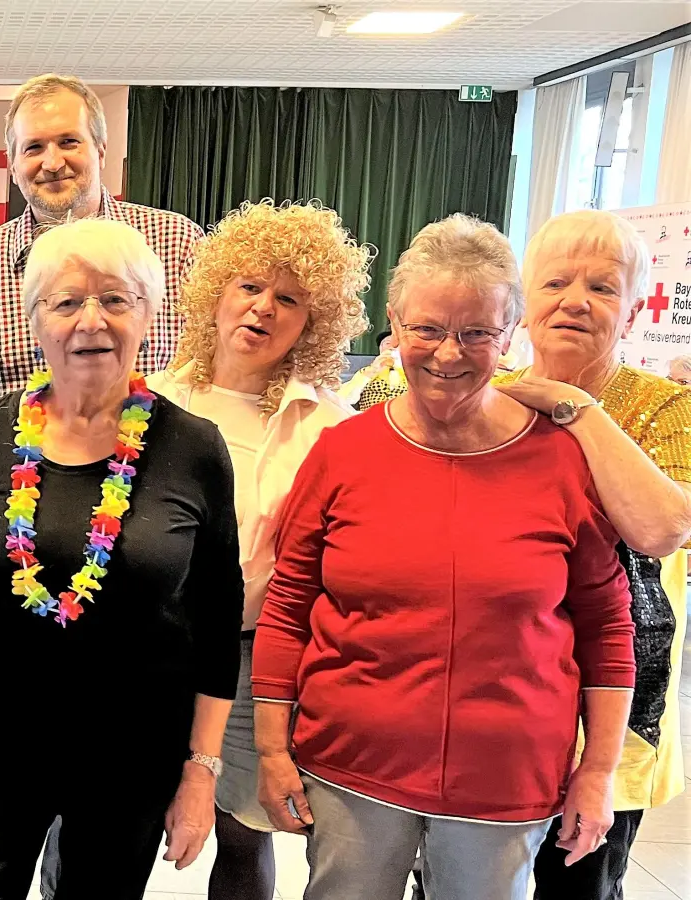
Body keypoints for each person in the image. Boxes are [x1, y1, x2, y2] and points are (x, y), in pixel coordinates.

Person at [253, 214, 636, 900]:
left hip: (508, 777)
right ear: (394, 325)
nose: (449, 354)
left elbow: (608, 628)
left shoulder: (562, 458)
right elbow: (289, 606)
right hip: (352, 766)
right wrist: (274, 749)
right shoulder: (343, 451)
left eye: (477, 333)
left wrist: (599, 770)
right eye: (427, 330)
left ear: (510, 331)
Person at [0, 218, 242, 900]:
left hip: (133, 756)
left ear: (148, 313)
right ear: (33, 320)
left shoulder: (195, 448)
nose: (93, 321)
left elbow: (217, 620)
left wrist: (201, 770)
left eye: (117, 299)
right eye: (67, 302)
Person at [147, 200, 370, 900]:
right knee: (108, 814)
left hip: (251, 654)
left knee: (243, 830)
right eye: (248, 286)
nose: (263, 308)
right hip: (147, 645)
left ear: (315, 321)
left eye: (289, 298)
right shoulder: (149, 400)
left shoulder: (330, 427)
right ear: (215, 292)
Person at [494, 209, 690, 900]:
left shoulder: (664, 408)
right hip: (500, 700)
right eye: (556, 282)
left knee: (578, 884)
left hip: (612, 708)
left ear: (633, 313)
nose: (575, 299)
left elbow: (665, 526)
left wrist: (573, 406)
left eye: (603, 288)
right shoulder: (494, 398)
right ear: (523, 301)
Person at [0, 73, 203, 393]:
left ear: (101, 150)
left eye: (68, 142)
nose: (52, 162)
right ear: (12, 165)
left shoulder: (178, 245)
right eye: (33, 147)